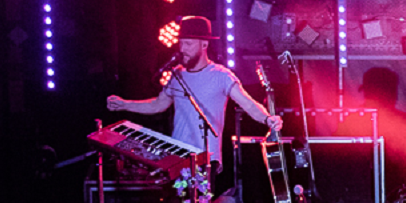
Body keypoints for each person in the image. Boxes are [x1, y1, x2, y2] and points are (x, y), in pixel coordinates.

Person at [106, 16, 281, 163]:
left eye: (188, 44)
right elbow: (158, 105)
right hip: (177, 157)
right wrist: (124, 104)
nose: (182, 49)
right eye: (181, 44)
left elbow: (248, 105)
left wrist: (268, 119)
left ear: (204, 45)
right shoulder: (177, 75)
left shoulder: (221, 76)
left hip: (206, 158)